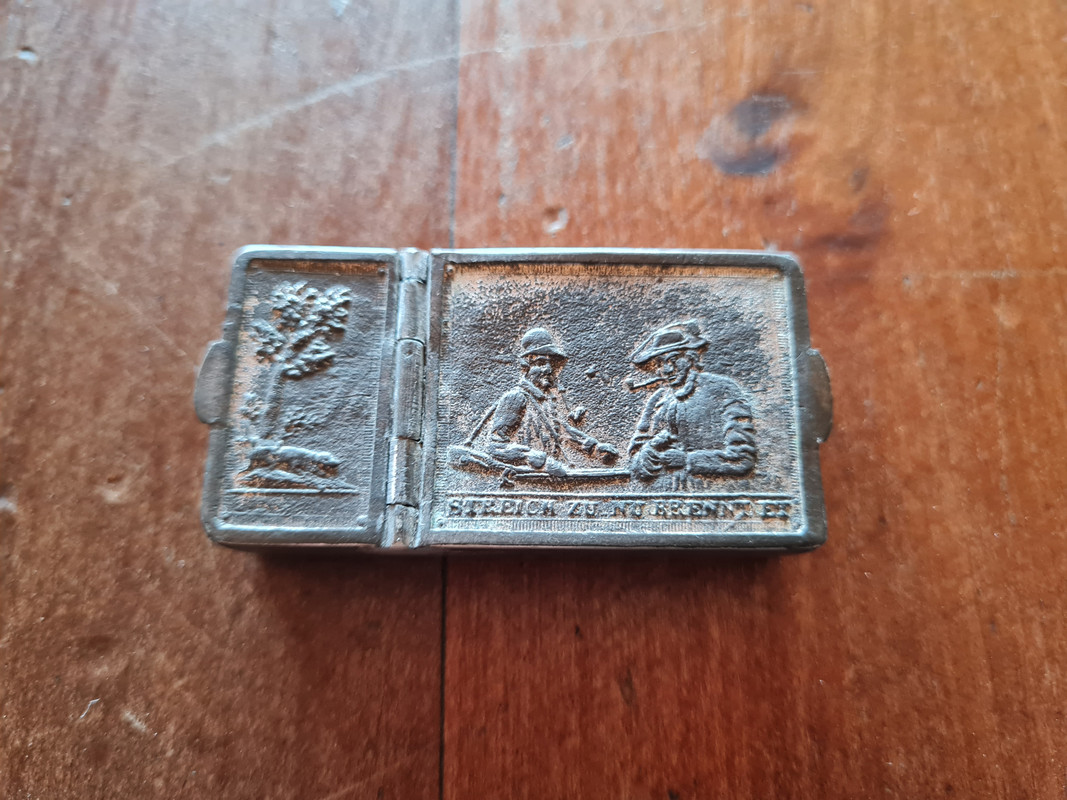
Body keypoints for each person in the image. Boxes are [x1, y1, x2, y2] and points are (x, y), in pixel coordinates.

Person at [467, 328, 618, 474]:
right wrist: (532, 458)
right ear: (526, 366)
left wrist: (594, 447)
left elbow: (561, 430)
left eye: (550, 364)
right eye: (540, 363)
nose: (548, 369)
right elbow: (494, 446)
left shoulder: (543, 399)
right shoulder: (516, 398)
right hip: (528, 476)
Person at [627, 320, 756, 487]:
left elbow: (743, 459)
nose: (667, 369)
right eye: (660, 363)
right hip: (659, 496)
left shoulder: (722, 390)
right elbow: (635, 462)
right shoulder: (658, 399)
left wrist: (687, 460)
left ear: (689, 358)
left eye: (673, 360)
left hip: (716, 495)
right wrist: (650, 449)